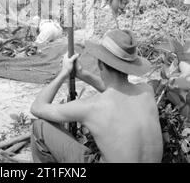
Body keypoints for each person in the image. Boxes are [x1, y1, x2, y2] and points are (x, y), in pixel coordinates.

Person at [30, 29, 163, 163]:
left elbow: (37, 107)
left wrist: (64, 73)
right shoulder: (147, 92)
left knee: (39, 126)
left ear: (100, 63)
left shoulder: (93, 106)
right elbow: (118, 91)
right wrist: (82, 74)